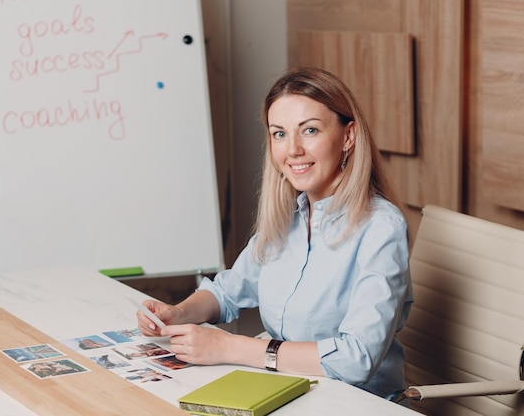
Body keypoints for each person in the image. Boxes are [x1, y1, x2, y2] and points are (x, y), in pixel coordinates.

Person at [136, 67, 413, 398]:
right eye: (279, 134)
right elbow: (227, 293)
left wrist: (232, 348)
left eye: (309, 130)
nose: (292, 150)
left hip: (355, 403)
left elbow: (357, 359)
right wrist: (176, 313)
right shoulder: (287, 217)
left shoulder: (381, 227)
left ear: (348, 136)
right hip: (286, 391)